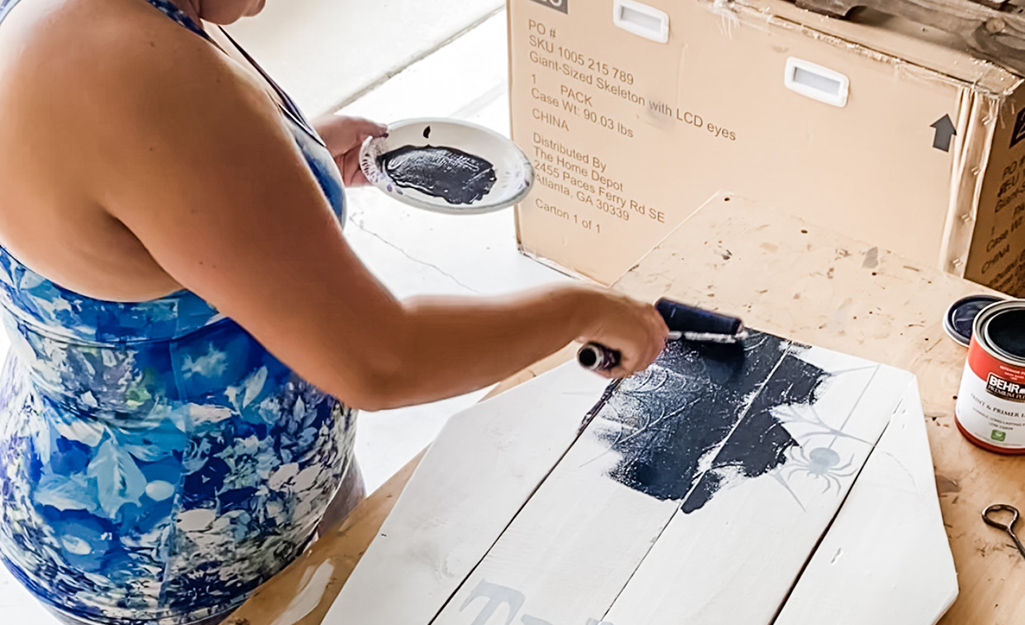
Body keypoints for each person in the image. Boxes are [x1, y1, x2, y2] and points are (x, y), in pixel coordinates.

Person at [0, 1, 669, 623]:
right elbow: (380, 358)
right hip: (177, 549)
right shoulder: (130, 70)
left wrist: (281, 168)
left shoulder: (74, 23)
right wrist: (583, 307)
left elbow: (119, 198)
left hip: (176, 478)